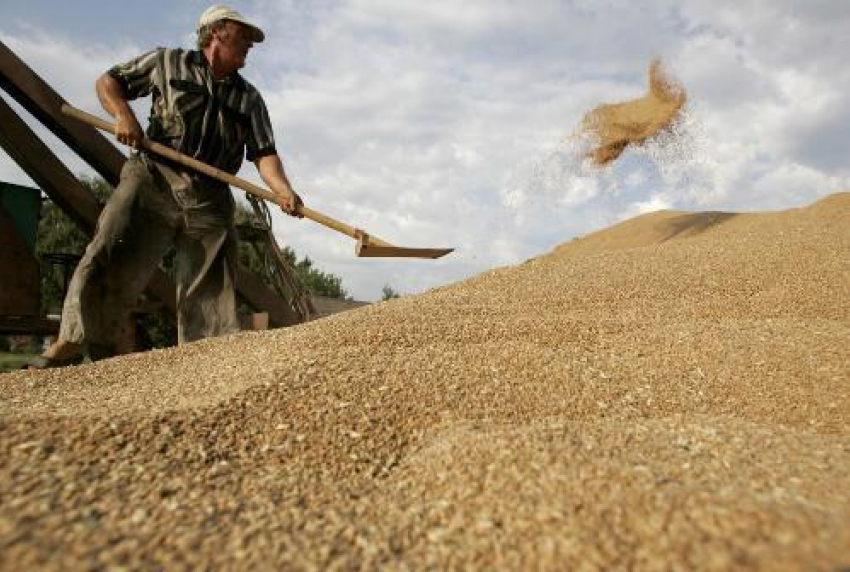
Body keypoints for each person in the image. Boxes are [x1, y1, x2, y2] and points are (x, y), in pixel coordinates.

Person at [28, 5, 301, 368]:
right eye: (244, 35)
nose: (251, 43)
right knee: (112, 250)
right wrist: (123, 115)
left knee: (212, 284)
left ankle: (204, 362)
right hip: (153, 177)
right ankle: (72, 341)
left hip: (209, 194)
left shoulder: (248, 99)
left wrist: (283, 189)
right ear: (216, 32)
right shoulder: (166, 62)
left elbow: (264, 153)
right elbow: (108, 83)